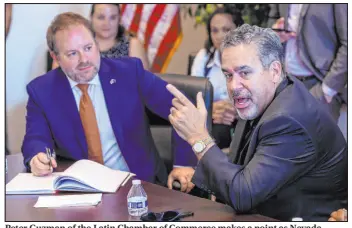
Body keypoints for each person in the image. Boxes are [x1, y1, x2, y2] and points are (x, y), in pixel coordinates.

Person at [166, 24, 347, 221]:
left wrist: (198, 138)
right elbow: (240, 169)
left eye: (244, 73)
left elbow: (243, 195)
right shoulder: (264, 95)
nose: (234, 86)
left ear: (275, 71)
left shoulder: (289, 120)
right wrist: (198, 172)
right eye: (228, 75)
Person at [22, 12, 190, 185]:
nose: (84, 59)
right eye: (72, 53)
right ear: (55, 57)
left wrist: (183, 164)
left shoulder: (129, 72)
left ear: (96, 44)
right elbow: (36, 138)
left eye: (88, 48)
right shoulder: (41, 91)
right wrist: (37, 157)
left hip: (139, 185)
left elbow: (181, 108)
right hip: (81, 190)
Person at [268, 4, 347, 122]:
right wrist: (274, 33)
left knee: (318, 139)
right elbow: (273, 18)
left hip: (318, 83)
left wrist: (327, 89)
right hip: (284, 82)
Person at [191, 7, 243, 149]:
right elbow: (193, 97)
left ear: (238, 30)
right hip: (212, 118)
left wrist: (236, 109)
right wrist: (211, 109)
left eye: (226, 29)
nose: (220, 36)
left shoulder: (249, 57)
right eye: (214, 30)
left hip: (243, 116)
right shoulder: (203, 58)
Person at [51, 4, 149, 70]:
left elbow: (145, 85)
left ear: (119, 19)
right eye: (101, 17)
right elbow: (56, 79)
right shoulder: (74, 42)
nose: (107, 23)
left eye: (113, 17)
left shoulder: (132, 44)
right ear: (91, 17)